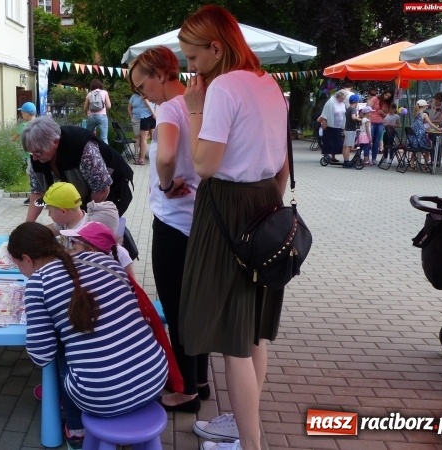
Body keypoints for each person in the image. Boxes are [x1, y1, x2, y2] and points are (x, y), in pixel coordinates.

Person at [178, 5, 289, 450]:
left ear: (216, 48)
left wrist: (193, 109)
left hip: (227, 208)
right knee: (253, 328)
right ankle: (245, 428)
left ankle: (249, 442)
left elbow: (204, 165)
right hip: (266, 204)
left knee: (233, 341)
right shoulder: (269, 84)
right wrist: (270, 205)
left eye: (193, 57)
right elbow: (282, 164)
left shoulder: (222, 88)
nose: (191, 67)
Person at [8, 222, 168, 450]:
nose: (20, 270)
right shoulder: (103, 260)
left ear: (26, 258)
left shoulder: (38, 284)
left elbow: (41, 356)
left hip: (99, 396)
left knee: (63, 349)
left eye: (17, 265)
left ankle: (76, 431)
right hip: (155, 377)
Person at [127, 45, 210, 413]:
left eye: (141, 85)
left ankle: (185, 390)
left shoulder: (170, 109)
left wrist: (163, 184)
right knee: (197, 304)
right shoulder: (203, 103)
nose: (141, 94)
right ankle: (201, 380)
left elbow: (164, 156)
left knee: (177, 308)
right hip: (203, 221)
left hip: (173, 221)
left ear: (161, 74)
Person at [21, 116, 134, 221]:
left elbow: (102, 189)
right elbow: (37, 192)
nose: (34, 158)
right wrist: (28, 225)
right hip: (89, 195)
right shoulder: (37, 154)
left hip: (113, 188)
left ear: (55, 142)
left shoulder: (81, 147)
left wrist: (83, 219)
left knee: (101, 229)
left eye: (38, 153)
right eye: (31, 153)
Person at [59, 221, 133, 277]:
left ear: (90, 250)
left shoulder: (120, 253)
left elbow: (132, 283)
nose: (71, 253)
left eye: (74, 249)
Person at [12, 101, 38, 205]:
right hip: (41, 155)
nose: (22, 116)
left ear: (27, 114)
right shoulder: (40, 123)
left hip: (30, 156)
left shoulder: (24, 126)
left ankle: (33, 196)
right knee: (39, 175)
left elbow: (13, 139)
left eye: (22, 114)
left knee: (30, 175)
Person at [317, 90, 347, 164]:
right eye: (343, 97)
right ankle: (326, 156)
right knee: (329, 141)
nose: (344, 99)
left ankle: (333, 156)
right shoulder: (330, 102)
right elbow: (324, 114)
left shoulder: (343, 103)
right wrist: (324, 122)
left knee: (336, 142)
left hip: (338, 126)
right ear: (339, 96)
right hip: (330, 125)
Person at [127, 92, 156, 165]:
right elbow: (129, 108)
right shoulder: (134, 96)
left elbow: (150, 104)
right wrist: (132, 118)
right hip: (138, 119)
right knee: (139, 137)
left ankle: (142, 157)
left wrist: (153, 113)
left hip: (145, 117)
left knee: (145, 138)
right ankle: (138, 156)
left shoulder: (146, 94)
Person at [367, 89, 393, 162]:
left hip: (380, 123)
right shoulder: (376, 98)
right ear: (383, 93)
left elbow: (386, 116)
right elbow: (368, 108)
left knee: (376, 141)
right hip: (371, 121)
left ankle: (374, 158)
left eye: (388, 97)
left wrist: (382, 113)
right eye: (386, 95)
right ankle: (366, 157)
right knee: (369, 139)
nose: (386, 97)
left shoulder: (387, 103)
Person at [83, 79, 112, 144]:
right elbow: (109, 106)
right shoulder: (104, 92)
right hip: (102, 116)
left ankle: (89, 151)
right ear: (100, 85)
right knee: (104, 138)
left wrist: (87, 114)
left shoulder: (89, 94)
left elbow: (85, 108)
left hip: (91, 117)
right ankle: (105, 153)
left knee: (88, 137)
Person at [342, 94, 361, 167]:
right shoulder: (353, 109)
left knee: (345, 146)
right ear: (356, 102)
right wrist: (360, 119)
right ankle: (347, 162)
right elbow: (353, 117)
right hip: (351, 130)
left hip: (347, 129)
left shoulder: (348, 108)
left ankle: (345, 160)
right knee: (348, 146)